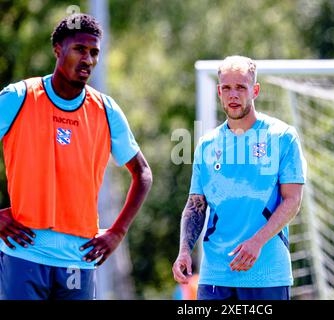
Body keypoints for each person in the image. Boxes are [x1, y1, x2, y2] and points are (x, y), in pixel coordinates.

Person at [0, 13, 152, 300]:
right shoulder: (19, 97)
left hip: (77, 261)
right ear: (58, 49)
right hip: (24, 255)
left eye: (94, 52)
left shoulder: (106, 110)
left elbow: (142, 173)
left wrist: (117, 232)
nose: (88, 60)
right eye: (80, 49)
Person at [172, 55, 306, 300]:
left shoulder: (283, 137)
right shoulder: (206, 145)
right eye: (227, 88)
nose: (233, 95)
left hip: (266, 274)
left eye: (241, 87)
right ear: (219, 92)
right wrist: (184, 251)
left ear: (254, 90)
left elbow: (293, 200)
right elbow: (195, 206)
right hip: (215, 277)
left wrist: (256, 242)